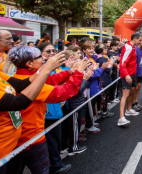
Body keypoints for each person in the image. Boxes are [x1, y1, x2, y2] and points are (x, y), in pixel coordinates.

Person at [6, 46, 87, 174]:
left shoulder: (22, 77)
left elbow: (51, 80)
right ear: (29, 64)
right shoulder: (29, 83)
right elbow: (63, 92)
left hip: (22, 138)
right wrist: (79, 73)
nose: (44, 59)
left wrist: (70, 71)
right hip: (31, 138)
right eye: (40, 57)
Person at [0, 52, 65, 174]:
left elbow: (20, 84)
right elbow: (18, 103)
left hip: (12, 146)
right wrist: (46, 70)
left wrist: (42, 71)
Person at [118, 33, 140, 127]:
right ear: (135, 39)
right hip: (127, 74)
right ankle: (121, 118)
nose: (140, 42)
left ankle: (128, 109)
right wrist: (126, 75)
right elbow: (122, 63)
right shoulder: (128, 48)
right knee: (125, 94)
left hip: (132, 74)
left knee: (132, 92)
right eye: (139, 40)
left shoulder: (133, 47)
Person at [133, 36, 142, 111]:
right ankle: (132, 104)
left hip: (140, 71)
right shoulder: (135, 49)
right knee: (134, 88)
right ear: (140, 41)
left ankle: (136, 102)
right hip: (134, 72)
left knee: (139, 87)